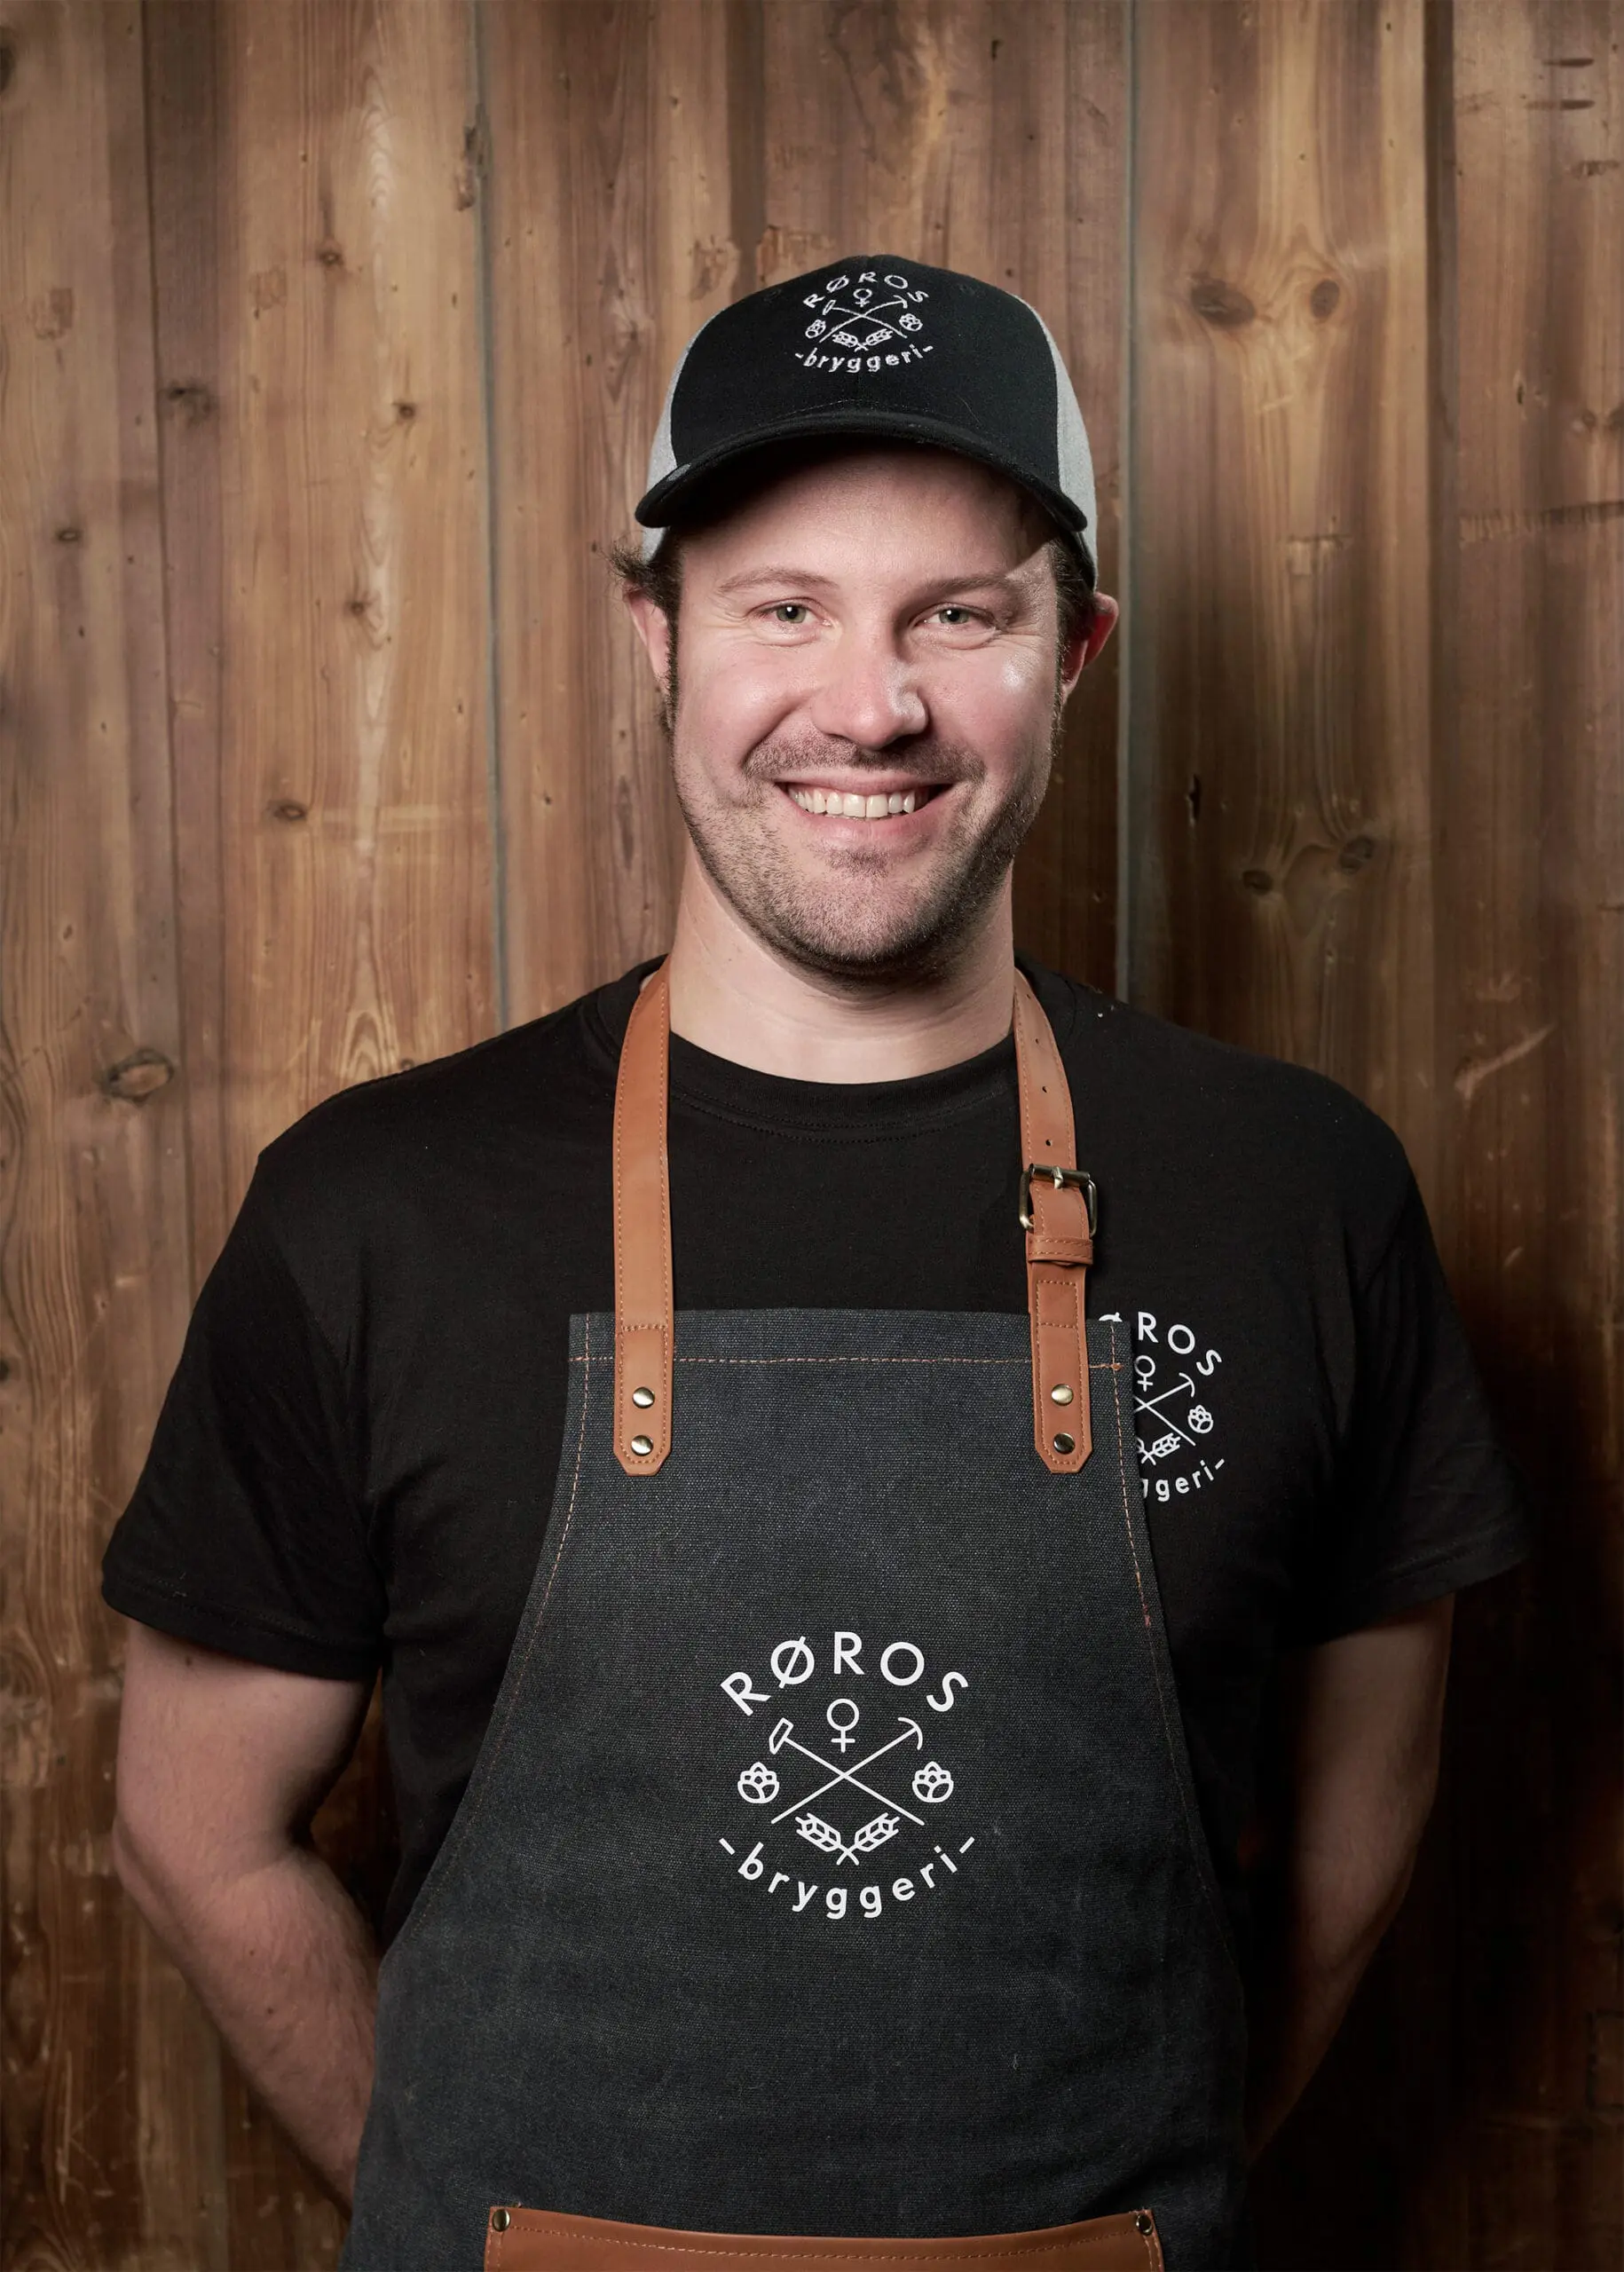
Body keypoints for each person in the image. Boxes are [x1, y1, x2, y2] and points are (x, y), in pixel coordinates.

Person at [105, 257, 1530, 2272]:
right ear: (657, 640)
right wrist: (456, 2223)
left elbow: (1358, 1835)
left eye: (963, 613)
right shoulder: (372, 1207)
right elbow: (192, 1828)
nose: (873, 702)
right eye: (786, 606)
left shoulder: (1300, 1192)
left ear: (1078, 649)